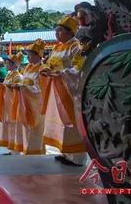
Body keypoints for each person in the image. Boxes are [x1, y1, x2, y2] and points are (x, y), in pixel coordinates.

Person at [40, 16, 87, 166]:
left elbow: (79, 67)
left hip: (70, 89)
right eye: (56, 30)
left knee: (72, 120)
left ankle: (78, 157)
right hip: (57, 87)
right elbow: (49, 64)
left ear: (70, 32)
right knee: (62, 122)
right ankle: (66, 152)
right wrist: (46, 70)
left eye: (60, 30)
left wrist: (64, 73)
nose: (56, 33)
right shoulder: (57, 47)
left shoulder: (76, 47)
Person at [9, 39, 48, 155]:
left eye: (30, 55)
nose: (28, 57)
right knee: (25, 128)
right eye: (28, 54)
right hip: (25, 101)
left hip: (36, 103)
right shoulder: (28, 68)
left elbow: (41, 88)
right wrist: (18, 87)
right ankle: (26, 148)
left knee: (36, 129)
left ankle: (35, 151)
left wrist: (24, 88)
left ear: (38, 55)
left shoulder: (43, 69)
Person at [0, 52, 24, 154]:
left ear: (15, 64)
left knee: (14, 127)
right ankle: (10, 149)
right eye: (6, 63)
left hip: (13, 103)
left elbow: (19, 90)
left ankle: (15, 149)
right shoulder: (9, 74)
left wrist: (6, 87)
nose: (6, 65)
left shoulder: (18, 76)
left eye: (8, 63)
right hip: (6, 103)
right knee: (7, 126)